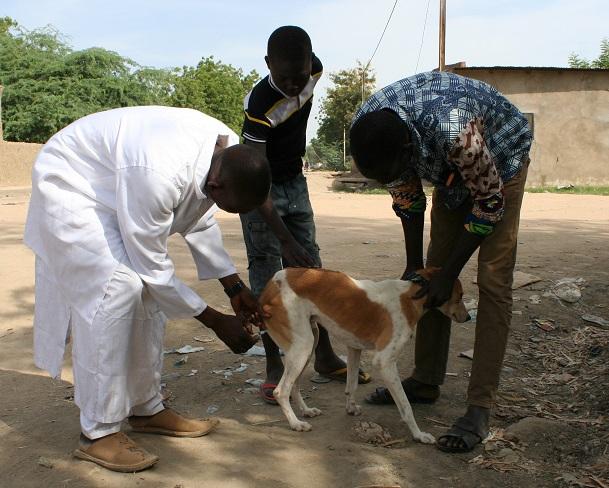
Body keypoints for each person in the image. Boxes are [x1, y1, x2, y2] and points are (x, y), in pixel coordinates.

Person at [24, 106, 271, 472]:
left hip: (118, 186)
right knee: (119, 287)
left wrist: (234, 287)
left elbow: (199, 220)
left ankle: (146, 408)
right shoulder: (158, 172)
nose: (225, 211)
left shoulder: (227, 153)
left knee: (148, 297)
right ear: (217, 185)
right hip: (73, 186)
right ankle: (98, 432)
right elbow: (152, 267)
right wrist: (216, 321)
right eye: (229, 207)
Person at [349, 71, 532, 453]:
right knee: (428, 277)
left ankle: (480, 407)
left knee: (494, 280)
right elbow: (409, 200)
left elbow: (489, 206)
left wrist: (450, 275)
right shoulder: (370, 128)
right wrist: (416, 266)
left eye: (390, 174)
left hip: (500, 159)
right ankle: (426, 380)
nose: (389, 180)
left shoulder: (456, 134)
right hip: (448, 171)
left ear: (405, 150)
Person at [240, 26, 370, 404]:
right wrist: (284, 238)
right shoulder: (259, 107)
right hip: (259, 187)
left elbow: (303, 77)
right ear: (268, 66)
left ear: (310, 63)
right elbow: (256, 179)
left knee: (313, 270)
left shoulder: (313, 70)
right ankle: (274, 367)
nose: (296, 85)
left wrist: (295, 243)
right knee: (268, 277)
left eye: (300, 76)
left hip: (294, 179)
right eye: (285, 78)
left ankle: (325, 356)